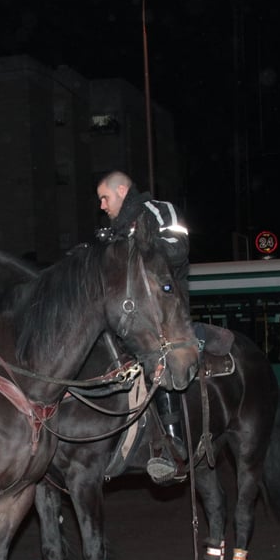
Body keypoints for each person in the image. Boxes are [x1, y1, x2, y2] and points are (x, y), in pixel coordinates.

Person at [95, 171, 190, 484]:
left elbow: (178, 249)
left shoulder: (160, 211)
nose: (102, 206)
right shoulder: (116, 228)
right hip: (129, 312)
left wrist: (136, 246)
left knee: (158, 359)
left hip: (164, 309)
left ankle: (173, 445)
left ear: (122, 190)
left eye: (105, 198)